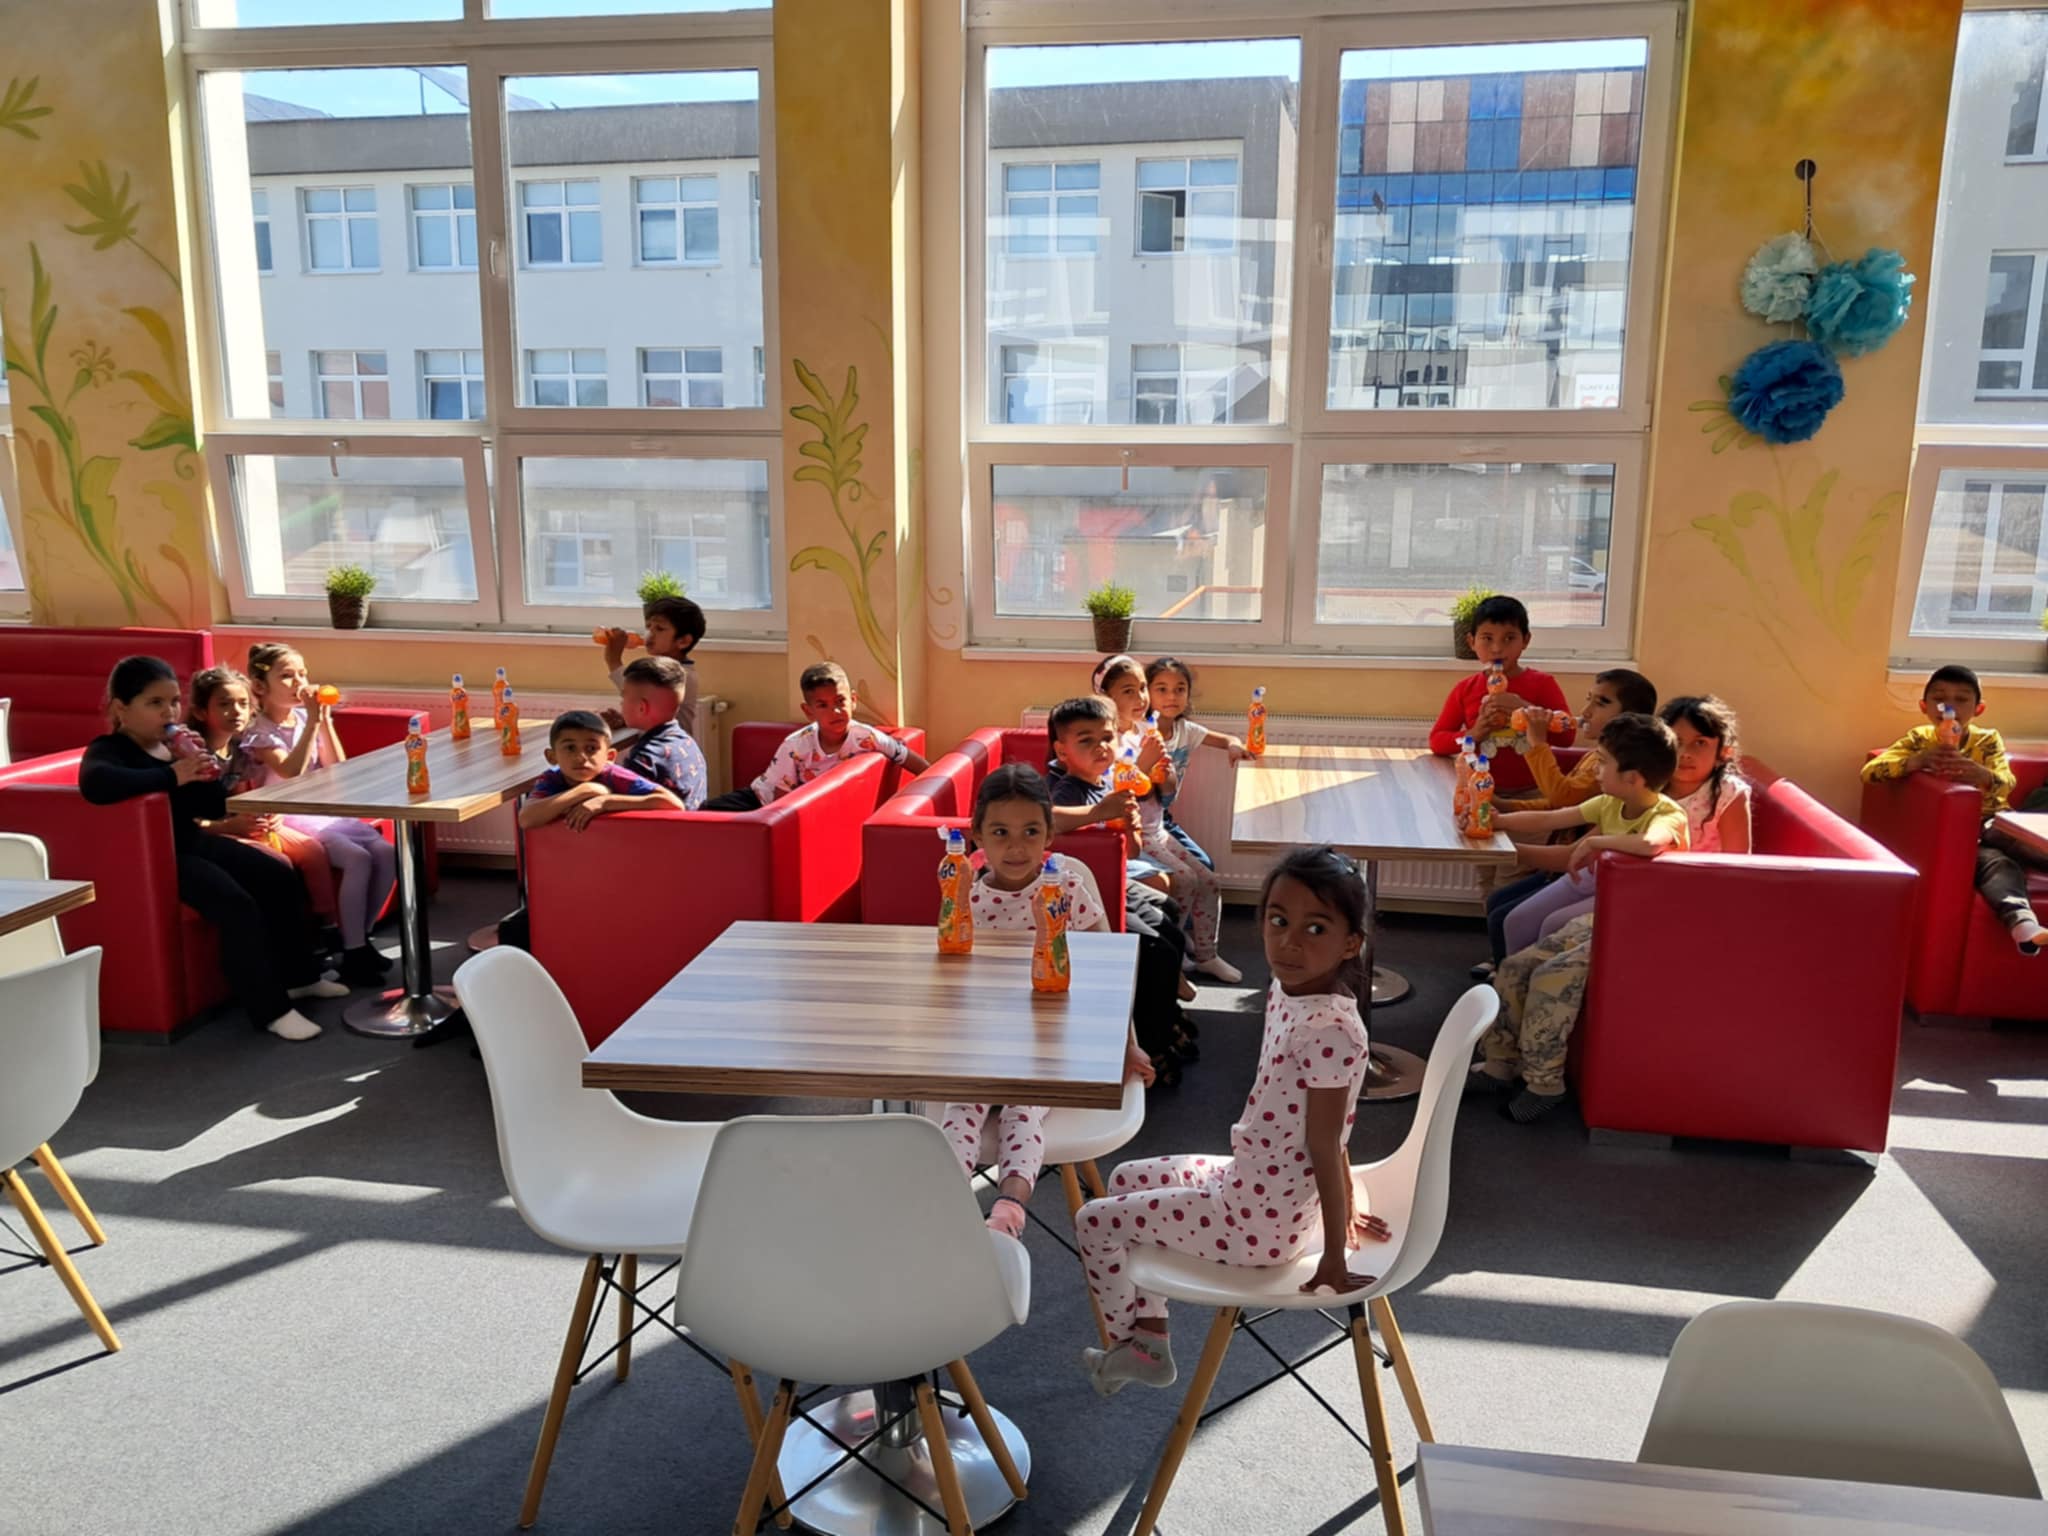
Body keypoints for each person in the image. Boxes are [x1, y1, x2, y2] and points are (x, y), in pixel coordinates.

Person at [1076, 847, 1387, 1394]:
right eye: (1278, 921)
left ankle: (1132, 1346)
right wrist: (1345, 1200)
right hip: (1243, 1180)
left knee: (1093, 1222)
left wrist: (1335, 1253)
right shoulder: (1289, 990)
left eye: (1316, 928)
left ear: (1351, 943)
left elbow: (1326, 1141)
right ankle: (1152, 1337)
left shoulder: (1328, 1030)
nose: (1290, 943)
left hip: (1258, 1225)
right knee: (1124, 1177)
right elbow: (1329, 1131)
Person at [936, 764, 1156, 1237]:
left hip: (1049, 1046)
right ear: (977, 836)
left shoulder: (1067, 888)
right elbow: (952, 973)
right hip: (985, 1044)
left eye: (1030, 832)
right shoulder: (966, 894)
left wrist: (1124, 1044)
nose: (1016, 847)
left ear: (1050, 835)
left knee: (1024, 1109)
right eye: (1000, 833)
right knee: (961, 1109)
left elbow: (1112, 975)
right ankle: (949, 1210)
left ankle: (1009, 1210)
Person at [80, 656, 334, 1042]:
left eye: (173, 702)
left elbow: (214, 807)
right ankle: (271, 1010)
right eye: (154, 703)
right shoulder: (110, 750)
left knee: (278, 871)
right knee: (235, 903)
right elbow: (96, 783)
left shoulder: (172, 748)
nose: (169, 712)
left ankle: (300, 977)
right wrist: (172, 775)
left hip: (193, 842)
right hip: (158, 859)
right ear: (121, 709)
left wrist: (201, 766)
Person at [1474, 713, 1689, 1123]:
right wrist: (1495, 821)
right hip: (1603, 911)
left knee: (1550, 977)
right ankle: (1500, 1063)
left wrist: (1595, 845)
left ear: (1634, 778)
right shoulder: (1611, 802)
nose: (1596, 768)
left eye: (1603, 762)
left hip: (1640, 923)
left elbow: (1650, 843)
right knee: (1516, 967)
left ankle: (1544, 1084)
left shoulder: (1668, 814)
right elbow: (1552, 818)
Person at [1043, 694, 1200, 1074]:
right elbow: (1045, 818)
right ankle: (1151, 1042)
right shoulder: (1067, 788)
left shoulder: (1107, 782)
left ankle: (1164, 1015)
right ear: (1062, 752)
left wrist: (1129, 827)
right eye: (1086, 740)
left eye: (1107, 738)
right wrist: (1098, 812)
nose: (1101, 747)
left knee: (1170, 921)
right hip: (1086, 893)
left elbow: (1131, 852)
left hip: (1115, 881)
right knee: (1152, 949)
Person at [1478, 668, 1657, 975]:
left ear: (1628, 718)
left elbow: (1562, 796)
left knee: (1506, 914)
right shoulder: (1596, 759)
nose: (1585, 711)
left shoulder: (1613, 774)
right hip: (1565, 865)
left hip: (1575, 869)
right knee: (1498, 904)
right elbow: (1555, 809)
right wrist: (1503, 811)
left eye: (1601, 703)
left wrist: (1537, 742)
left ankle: (1512, 975)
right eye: (1589, 699)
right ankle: (1505, 969)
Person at [239, 643, 398, 987]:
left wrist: (323, 721)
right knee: (357, 858)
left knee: (386, 853)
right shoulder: (259, 732)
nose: (299, 682)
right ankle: (354, 950)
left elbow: (337, 767)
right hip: (284, 813)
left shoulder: (302, 719)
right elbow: (291, 773)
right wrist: (312, 721)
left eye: (303, 673)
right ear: (260, 687)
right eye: (287, 676)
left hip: (318, 807)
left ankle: (358, 940)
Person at [1863, 665, 2043, 953]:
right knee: (1997, 864)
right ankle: (2023, 924)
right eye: (1939, 698)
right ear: (1924, 706)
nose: (1949, 706)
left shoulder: (1986, 740)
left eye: (1961, 699)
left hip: (1995, 822)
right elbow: (1871, 772)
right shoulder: (1920, 740)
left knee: (2024, 841)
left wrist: (1982, 775)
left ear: (1978, 708)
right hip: (1962, 836)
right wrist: (1917, 761)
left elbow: (2007, 782)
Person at [1098, 655, 1235, 980]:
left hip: (1157, 828)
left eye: (1142, 689)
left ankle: (1206, 954)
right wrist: (1145, 765)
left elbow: (1164, 789)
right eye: (1128, 691)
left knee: (1209, 880)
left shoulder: (1143, 732)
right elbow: (1118, 797)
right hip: (1136, 836)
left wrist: (1165, 771)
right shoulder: (1107, 742)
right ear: (1107, 697)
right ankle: (1175, 950)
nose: (1141, 698)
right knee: (1185, 879)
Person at [186, 664, 341, 936]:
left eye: (243, 704)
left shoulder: (239, 748)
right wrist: (229, 826)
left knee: (312, 851)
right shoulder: (191, 754)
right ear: (201, 712)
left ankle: (326, 927)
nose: (236, 711)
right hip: (210, 833)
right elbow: (185, 820)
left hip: (238, 823)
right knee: (275, 862)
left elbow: (242, 794)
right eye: (224, 704)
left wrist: (266, 813)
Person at [700, 661, 929, 813]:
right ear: (808, 711)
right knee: (705, 813)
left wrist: (935, 786)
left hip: (801, 804)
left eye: (840, 701)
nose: (835, 711)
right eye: (823, 705)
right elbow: (779, 801)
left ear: (853, 700)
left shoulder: (866, 737)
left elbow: (906, 757)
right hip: (760, 799)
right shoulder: (796, 746)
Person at [1428, 594, 1576, 795]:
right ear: (1472, 642)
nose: (1497, 648)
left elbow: (1567, 737)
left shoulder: (1543, 684)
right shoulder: (1465, 689)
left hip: (1534, 790)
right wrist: (1474, 733)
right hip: (1479, 791)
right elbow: (1437, 741)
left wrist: (1525, 709)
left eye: (1509, 638)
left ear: (1525, 640)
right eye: (1487, 639)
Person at [1143, 655, 1248, 874]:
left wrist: (1234, 746)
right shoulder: (1139, 731)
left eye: (1180, 689)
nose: (1172, 696)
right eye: (1162, 689)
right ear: (1146, 693)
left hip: (1163, 819)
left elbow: (1227, 739)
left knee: (1205, 865)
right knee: (1173, 874)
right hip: (1141, 820)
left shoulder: (1185, 730)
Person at [517, 711, 685, 831]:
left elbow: (672, 804)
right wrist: (585, 790)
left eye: (591, 748)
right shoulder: (552, 778)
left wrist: (605, 802)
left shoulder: (613, 775)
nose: (581, 757)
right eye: (570, 748)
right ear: (552, 757)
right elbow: (526, 819)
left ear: (609, 756)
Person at [599, 592, 705, 737]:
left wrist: (614, 661)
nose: (650, 634)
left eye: (659, 629)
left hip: (670, 747)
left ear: (683, 641)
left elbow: (639, 692)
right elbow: (649, 713)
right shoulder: (662, 668)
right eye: (648, 627)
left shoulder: (682, 675)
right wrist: (626, 720)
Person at [1659, 695, 1752, 855]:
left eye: (1700, 743)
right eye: (1676, 741)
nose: (1685, 753)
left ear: (1723, 753)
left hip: (1708, 872)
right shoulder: (1643, 782)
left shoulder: (1728, 794)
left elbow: (1738, 861)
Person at [614, 655, 709, 809]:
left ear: (641, 708)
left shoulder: (644, 759)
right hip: (696, 822)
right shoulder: (688, 743)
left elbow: (622, 810)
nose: (621, 703)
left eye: (623, 697)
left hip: (664, 825)